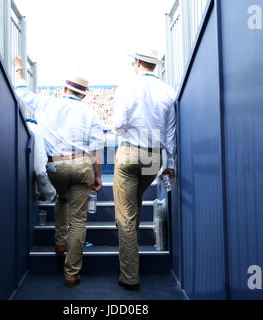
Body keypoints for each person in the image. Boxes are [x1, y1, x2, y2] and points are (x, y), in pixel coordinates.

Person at [14, 56, 105, 288]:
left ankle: (59, 243)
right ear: (83, 94)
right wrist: (97, 176)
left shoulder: (47, 103)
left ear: (64, 88)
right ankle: (71, 273)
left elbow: (21, 91)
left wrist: (19, 68)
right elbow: (96, 148)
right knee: (78, 221)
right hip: (82, 165)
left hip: (55, 167)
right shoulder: (90, 113)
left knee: (62, 198)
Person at [112, 49, 176, 291]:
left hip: (130, 152)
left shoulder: (127, 87)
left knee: (125, 217)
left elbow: (118, 125)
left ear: (137, 63)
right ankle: (132, 254)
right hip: (155, 158)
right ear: (155, 65)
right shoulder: (169, 91)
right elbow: (170, 134)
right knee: (135, 203)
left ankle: (129, 277)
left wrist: (124, 131)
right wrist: (170, 165)